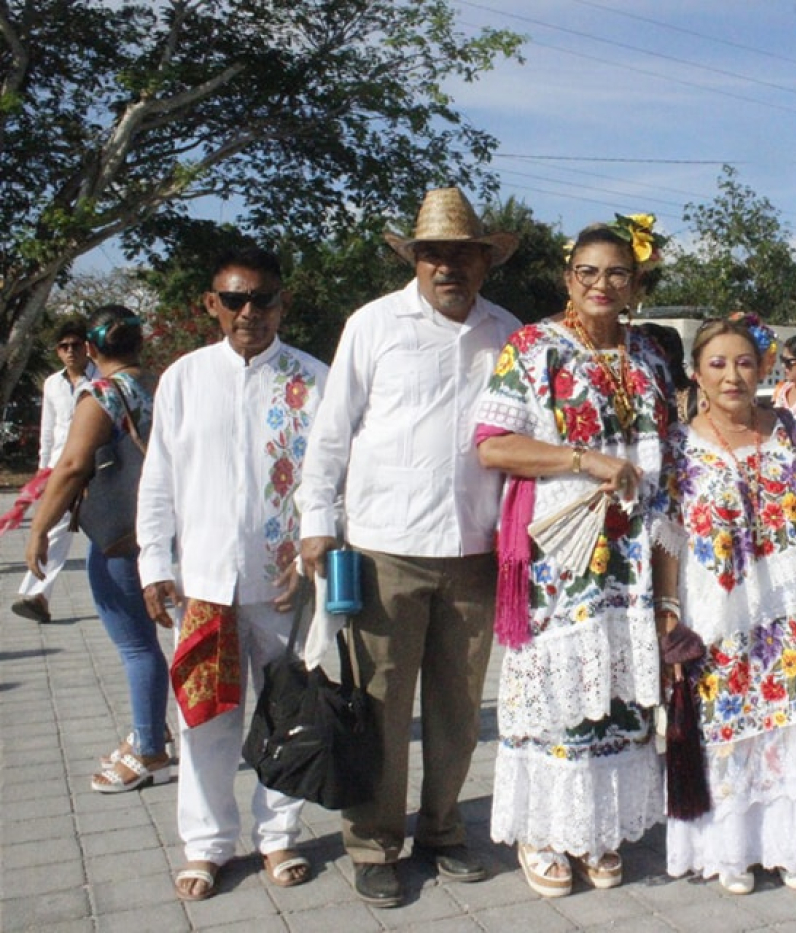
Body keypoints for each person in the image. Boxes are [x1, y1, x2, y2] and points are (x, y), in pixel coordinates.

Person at [296, 188, 519, 908]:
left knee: (457, 707)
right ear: (414, 260)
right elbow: (331, 431)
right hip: (383, 546)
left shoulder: (508, 333)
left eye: (461, 254)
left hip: (476, 549)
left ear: (485, 262)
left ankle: (444, 829)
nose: (446, 266)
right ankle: (373, 841)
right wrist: (315, 519)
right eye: (432, 253)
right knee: (379, 703)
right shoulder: (373, 324)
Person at [475, 216, 670, 899]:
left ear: (636, 283)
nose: (601, 284)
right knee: (559, 692)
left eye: (616, 272)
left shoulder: (648, 354)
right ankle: (545, 830)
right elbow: (493, 446)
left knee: (615, 697)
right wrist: (581, 459)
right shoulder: (534, 347)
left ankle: (598, 830)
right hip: (561, 555)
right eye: (587, 271)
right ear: (568, 278)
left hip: (631, 554)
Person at [137, 247, 327, 901]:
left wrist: (316, 557)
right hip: (205, 586)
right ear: (212, 305)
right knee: (205, 719)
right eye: (236, 299)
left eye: (264, 299)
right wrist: (155, 561)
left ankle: (279, 835)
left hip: (285, 585)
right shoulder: (185, 379)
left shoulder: (313, 379)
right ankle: (208, 844)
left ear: (283, 303)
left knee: (286, 714)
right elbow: (158, 476)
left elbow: (335, 481)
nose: (251, 312)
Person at [653, 316, 796, 894]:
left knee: (789, 717)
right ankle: (730, 852)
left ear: (762, 368)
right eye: (717, 364)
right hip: (717, 611)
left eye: (743, 362)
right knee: (729, 724)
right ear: (696, 374)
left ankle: (792, 847)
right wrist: (667, 610)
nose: (732, 375)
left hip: (791, 606)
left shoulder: (791, 433)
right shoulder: (679, 446)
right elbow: (668, 532)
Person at [23, 306, 170, 792]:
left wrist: (39, 527)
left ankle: (150, 747)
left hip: (120, 537)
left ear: (91, 347)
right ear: (140, 342)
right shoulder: (164, 386)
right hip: (164, 530)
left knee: (135, 645)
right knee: (147, 643)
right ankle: (150, 728)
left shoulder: (101, 394)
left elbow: (71, 466)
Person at [12, 317, 98, 624]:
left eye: (76, 345)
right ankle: (37, 596)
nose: (71, 351)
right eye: (64, 346)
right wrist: (43, 472)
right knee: (54, 528)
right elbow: (48, 432)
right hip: (63, 467)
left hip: (100, 467)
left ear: (88, 347)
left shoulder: (102, 378)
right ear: (58, 352)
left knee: (113, 533)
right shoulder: (52, 384)